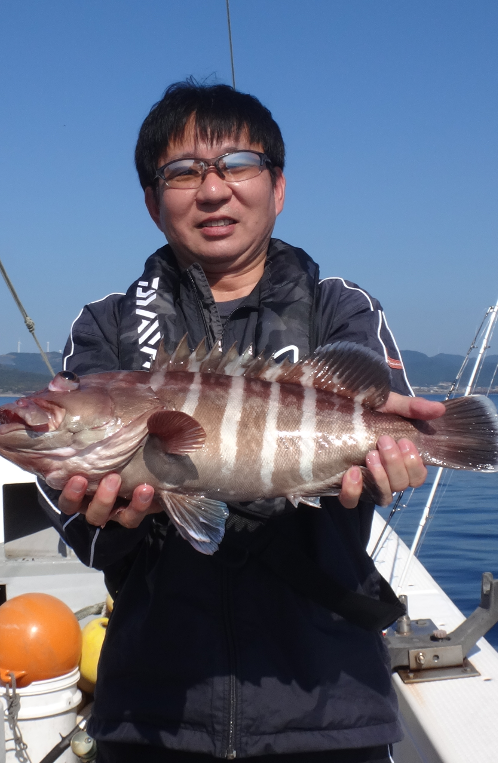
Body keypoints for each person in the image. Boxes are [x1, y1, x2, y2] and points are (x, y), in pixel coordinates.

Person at [39, 81, 445, 762]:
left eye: (237, 165)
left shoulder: (338, 309)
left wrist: (390, 464)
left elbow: (370, 438)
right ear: (151, 201)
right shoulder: (105, 327)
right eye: (182, 172)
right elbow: (84, 529)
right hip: (153, 710)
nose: (212, 189)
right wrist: (100, 517)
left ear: (277, 187)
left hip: (327, 705)